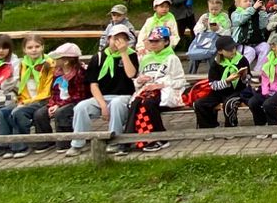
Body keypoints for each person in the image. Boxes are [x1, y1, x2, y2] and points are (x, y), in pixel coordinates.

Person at [70, 24, 139, 152]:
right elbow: (93, 84)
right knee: (81, 107)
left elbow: (131, 74)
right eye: (115, 38)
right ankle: (77, 143)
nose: (118, 42)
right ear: (108, 39)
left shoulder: (132, 55)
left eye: (122, 39)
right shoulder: (98, 57)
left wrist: (123, 53)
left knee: (117, 104)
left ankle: (114, 141)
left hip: (124, 96)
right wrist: (102, 106)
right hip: (102, 97)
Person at [0, 34, 56, 158]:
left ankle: (21, 147)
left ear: (43, 47)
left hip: (43, 99)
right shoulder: (22, 64)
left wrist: (28, 102)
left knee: (18, 113)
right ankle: (8, 145)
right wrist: (23, 100)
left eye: (37, 46)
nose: (34, 50)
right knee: (3, 112)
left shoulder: (49, 64)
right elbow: (19, 86)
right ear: (24, 50)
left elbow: (47, 90)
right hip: (25, 99)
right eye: (30, 47)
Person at [125, 27, 184, 150]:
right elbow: (138, 80)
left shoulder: (172, 58)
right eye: (151, 41)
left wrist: (161, 85)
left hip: (163, 91)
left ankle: (159, 137)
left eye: (157, 41)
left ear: (166, 42)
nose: (154, 44)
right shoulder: (145, 58)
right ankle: (135, 138)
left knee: (148, 103)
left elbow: (180, 81)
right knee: (136, 103)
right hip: (146, 90)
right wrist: (139, 80)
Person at [45, 43, 87, 149]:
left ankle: (65, 142)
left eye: (57, 58)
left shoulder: (79, 73)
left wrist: (59, 105)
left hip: (74, 101)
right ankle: (44, 143)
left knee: (61, 113)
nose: (54, 60)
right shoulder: (57, 73)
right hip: (59, 102)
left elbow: (78, 95)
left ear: (66, 61)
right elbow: (54, 92)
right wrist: (52, 104)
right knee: (40, 114)